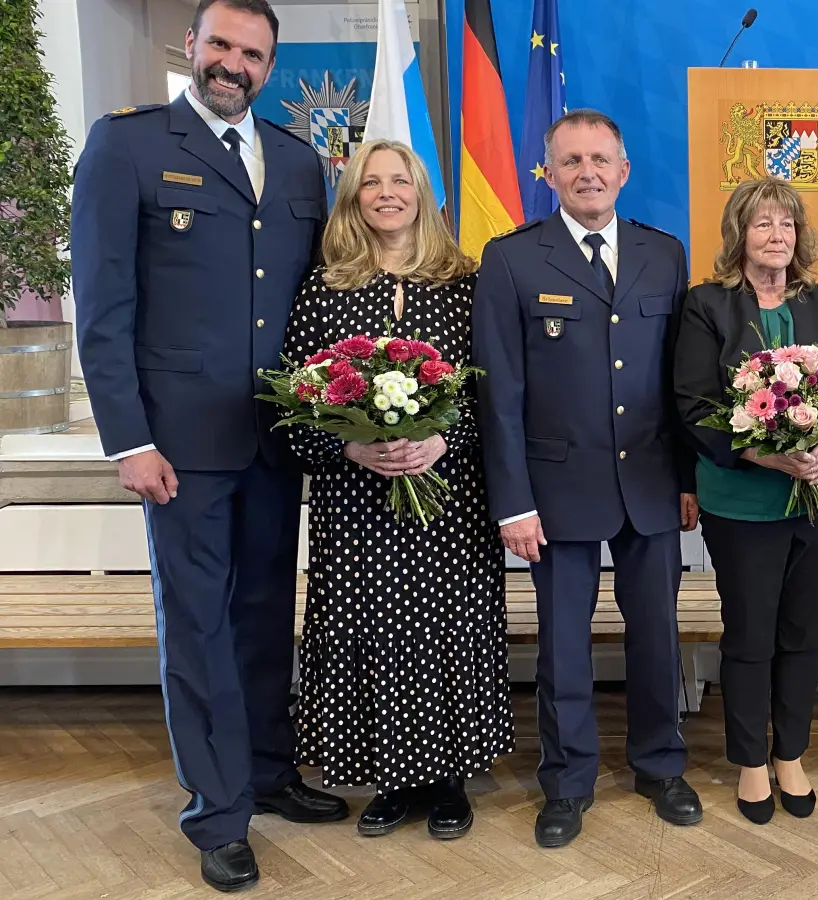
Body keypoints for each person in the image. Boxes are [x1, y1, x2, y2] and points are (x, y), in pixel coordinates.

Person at [69, 0, 347, 890]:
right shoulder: (129, 145)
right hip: (179, 447)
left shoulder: (302, 162)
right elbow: (103, 309)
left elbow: (313, 301)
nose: (234, 63)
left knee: (267, 617)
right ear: (189, 46)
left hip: (274, 441)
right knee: (198, 627)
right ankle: (217, 813)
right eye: (220, 45)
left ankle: (268, 774)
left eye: (252, 53)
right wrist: (128, 439)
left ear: (272, 65)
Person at [473, 109, 701, 849]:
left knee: (657, 638)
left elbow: (680, 383)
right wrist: (512, 501)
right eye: (571, 161)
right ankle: (567, 782)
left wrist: (690, 479)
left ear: (624, 170)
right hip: (556, 489)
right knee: (564, 648)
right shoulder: (510, 259)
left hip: (652, 485)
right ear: (549, 174)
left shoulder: (664, 255)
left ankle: (660, 765)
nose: (588, 173)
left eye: (601, 159)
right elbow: (498, 393)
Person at [282, 140, 514, 842]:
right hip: (356, 508)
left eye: (400, 180)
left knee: (446, 630)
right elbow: (293, 402)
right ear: (353, 197)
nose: (387, 193)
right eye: (371, 182)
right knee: (373, 633)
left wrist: (445, 439)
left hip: (448, 497)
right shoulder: (324, 287)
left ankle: (448, 780)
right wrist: (349, 444)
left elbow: (497, 388)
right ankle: (390, 779)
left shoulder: (467, 282)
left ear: (422, 192)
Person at [674, 177, 818, 824]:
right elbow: (694, 405)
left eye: (786, 224)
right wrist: (766, 453)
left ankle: (792, 755)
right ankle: (752, 760)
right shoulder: (707, 305)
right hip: (743, 501)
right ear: (739, 235)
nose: (776, 235)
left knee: (803, 632)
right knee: (750, 633)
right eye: (761, 224)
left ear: (800, 235)